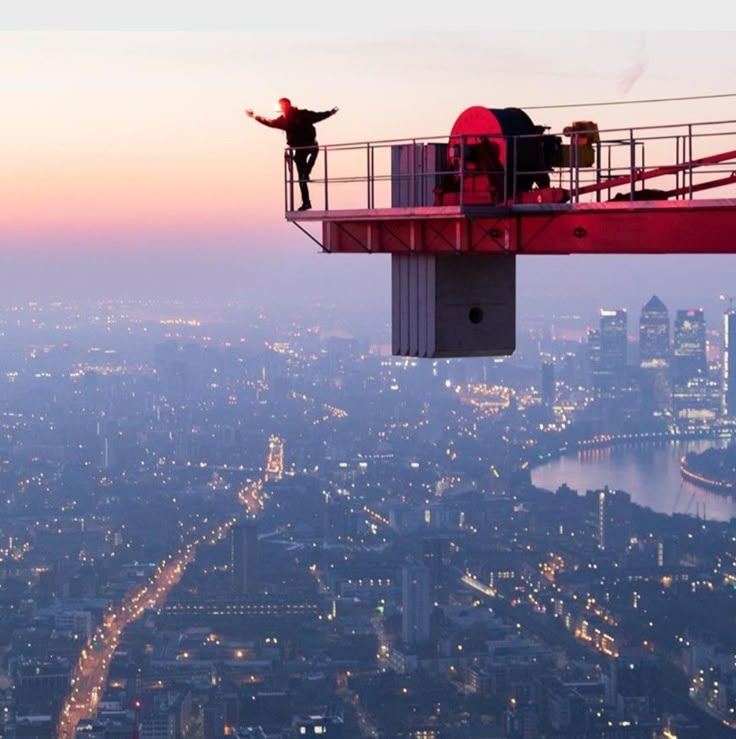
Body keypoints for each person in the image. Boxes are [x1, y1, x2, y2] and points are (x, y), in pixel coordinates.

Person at [246, 98, 339, 211]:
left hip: (311, 145)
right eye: (282, 106)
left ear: (289, 105)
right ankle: (306, 202)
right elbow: (270, 122)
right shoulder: (283, 120)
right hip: (299, 150)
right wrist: (255, 116)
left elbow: (317, 116)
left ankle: (307, 172)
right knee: (301, 179)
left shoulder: (302, 114)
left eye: (285, 106)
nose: (284, 108)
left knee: (311, 159)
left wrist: (330, 113)